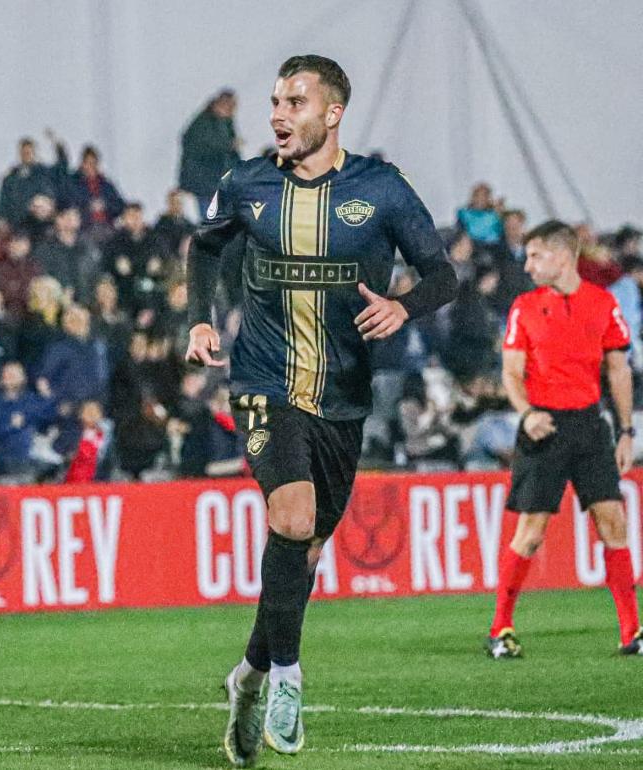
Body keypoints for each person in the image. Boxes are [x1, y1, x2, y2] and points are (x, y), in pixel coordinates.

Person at [184, 55, 456, 763]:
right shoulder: (245, 183)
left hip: (342, 397)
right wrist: (200, 320)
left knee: (302, 553)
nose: (279, 113)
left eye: (295, 101)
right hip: (263, 381)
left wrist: (403, 306)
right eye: (275, 100)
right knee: (292, 517)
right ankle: (287, 679)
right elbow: (203, 250)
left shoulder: (382, 189)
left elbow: (444, 274)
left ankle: (247, 676)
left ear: (332, 114)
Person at [485, 221, 641, 658]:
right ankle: (500, 627)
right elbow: (512, 373)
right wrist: (528, 413)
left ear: (563, 256)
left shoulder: (602, 303)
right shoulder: (525, 307)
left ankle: (631, 632)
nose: (528, 264)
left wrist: (626, 430)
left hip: (591, 426)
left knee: (612, 522)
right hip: (544, 426)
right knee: (531, 533)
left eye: (536, 255)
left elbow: (618, 371)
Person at [179, 89, 242, 214]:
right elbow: (199, 146)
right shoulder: (202, 123)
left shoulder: (226, 122)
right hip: (204, 181)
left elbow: (231, 152)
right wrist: (229, 145)